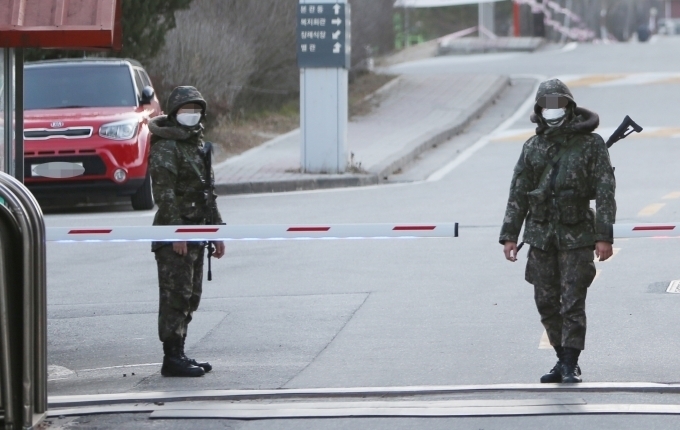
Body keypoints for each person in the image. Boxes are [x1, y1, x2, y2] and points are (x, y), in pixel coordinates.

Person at [499, 79, 616, 383]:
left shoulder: (592, 144)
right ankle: (560, 356)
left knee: (572, 300)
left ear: (569, 106)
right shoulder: (533, 146)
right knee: (546, 301)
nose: (553, 110)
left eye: (558, 103)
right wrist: (510, 235)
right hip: (539, 236)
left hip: (577, 233)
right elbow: (518, 192)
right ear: (539, 110)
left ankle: (570, 362)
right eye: (547, 105)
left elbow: (605, 192)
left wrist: (604, 236)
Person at [148, 86, 226, 377]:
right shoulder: (165, 146)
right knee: (175, 297)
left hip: (197, 233)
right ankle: (171, 358)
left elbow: (208, 193)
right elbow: (164, 194)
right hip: (175, 238)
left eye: (196, 110)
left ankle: (180, 352)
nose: (191, 115)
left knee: (191, 296)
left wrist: (216, 232)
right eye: (185, 109)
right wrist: (176, 232)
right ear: (173, 113)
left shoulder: (196, 145)